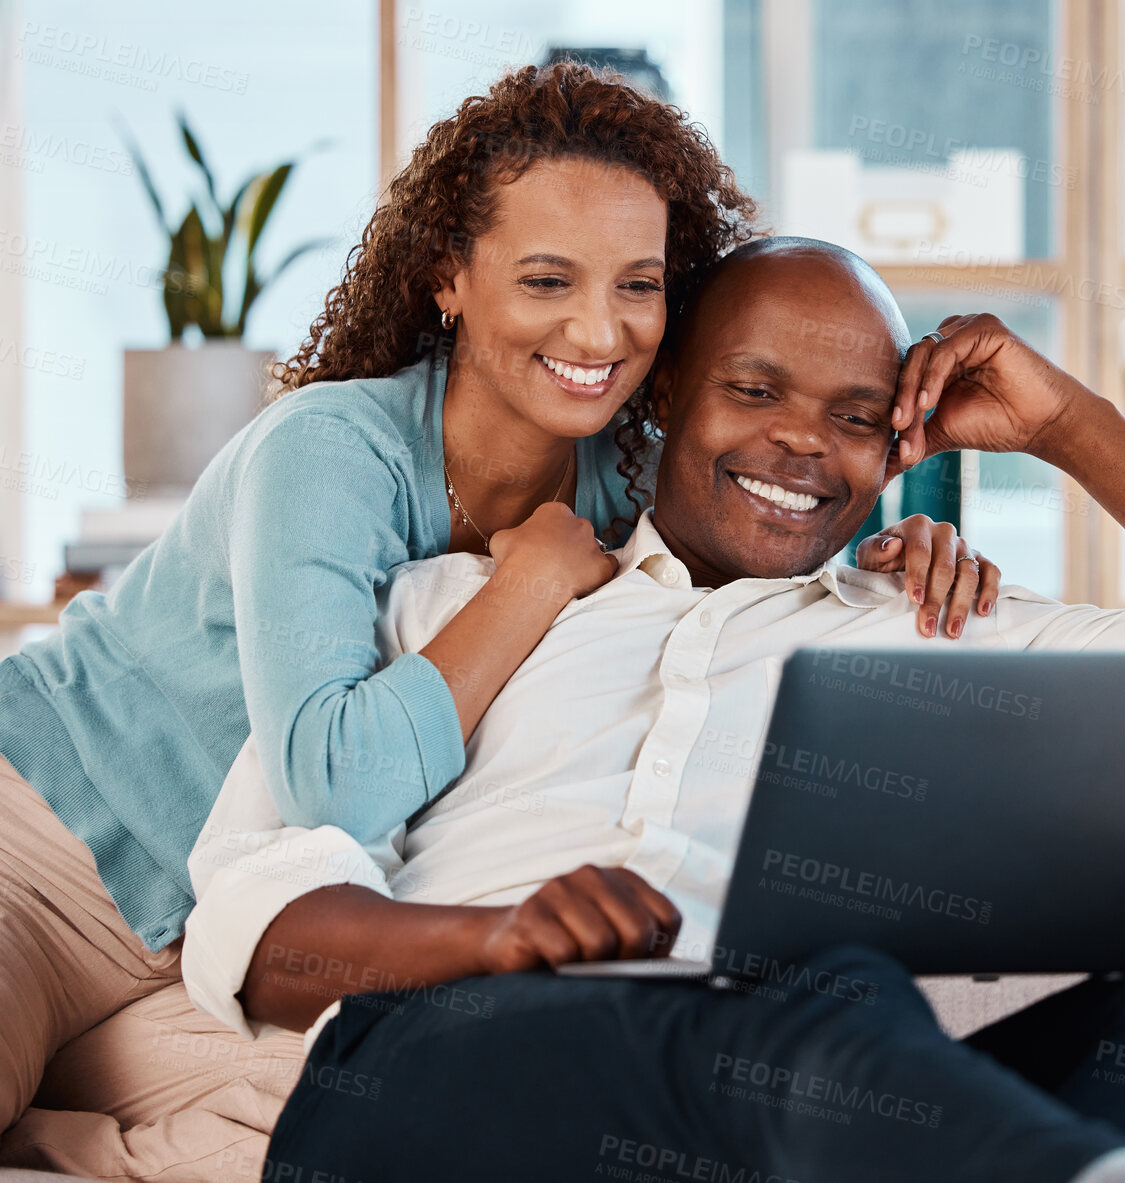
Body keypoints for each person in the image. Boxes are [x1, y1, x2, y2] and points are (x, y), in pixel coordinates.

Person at [179, 238, 1125, 1183]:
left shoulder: (935, 615)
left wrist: (1073, 428)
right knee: (835, 999)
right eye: (751, 390)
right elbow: (255, 915)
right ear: (656, 408)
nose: (797, 445)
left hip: (825, 1106)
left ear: (901, 446)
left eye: (850, 415)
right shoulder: (455, 605)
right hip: (441, 1069)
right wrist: (490, 936)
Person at [0, 66, 991, 1142]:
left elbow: (759, 545)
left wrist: (905, 547)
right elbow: (334, 783)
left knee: (356, 1126)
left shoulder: (622, 470)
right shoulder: (330, 451)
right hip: (53, 851)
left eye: (639, 285)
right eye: (548, 281)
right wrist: (525, 584)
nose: (599, 332)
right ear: (448, 277)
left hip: (212, 932)